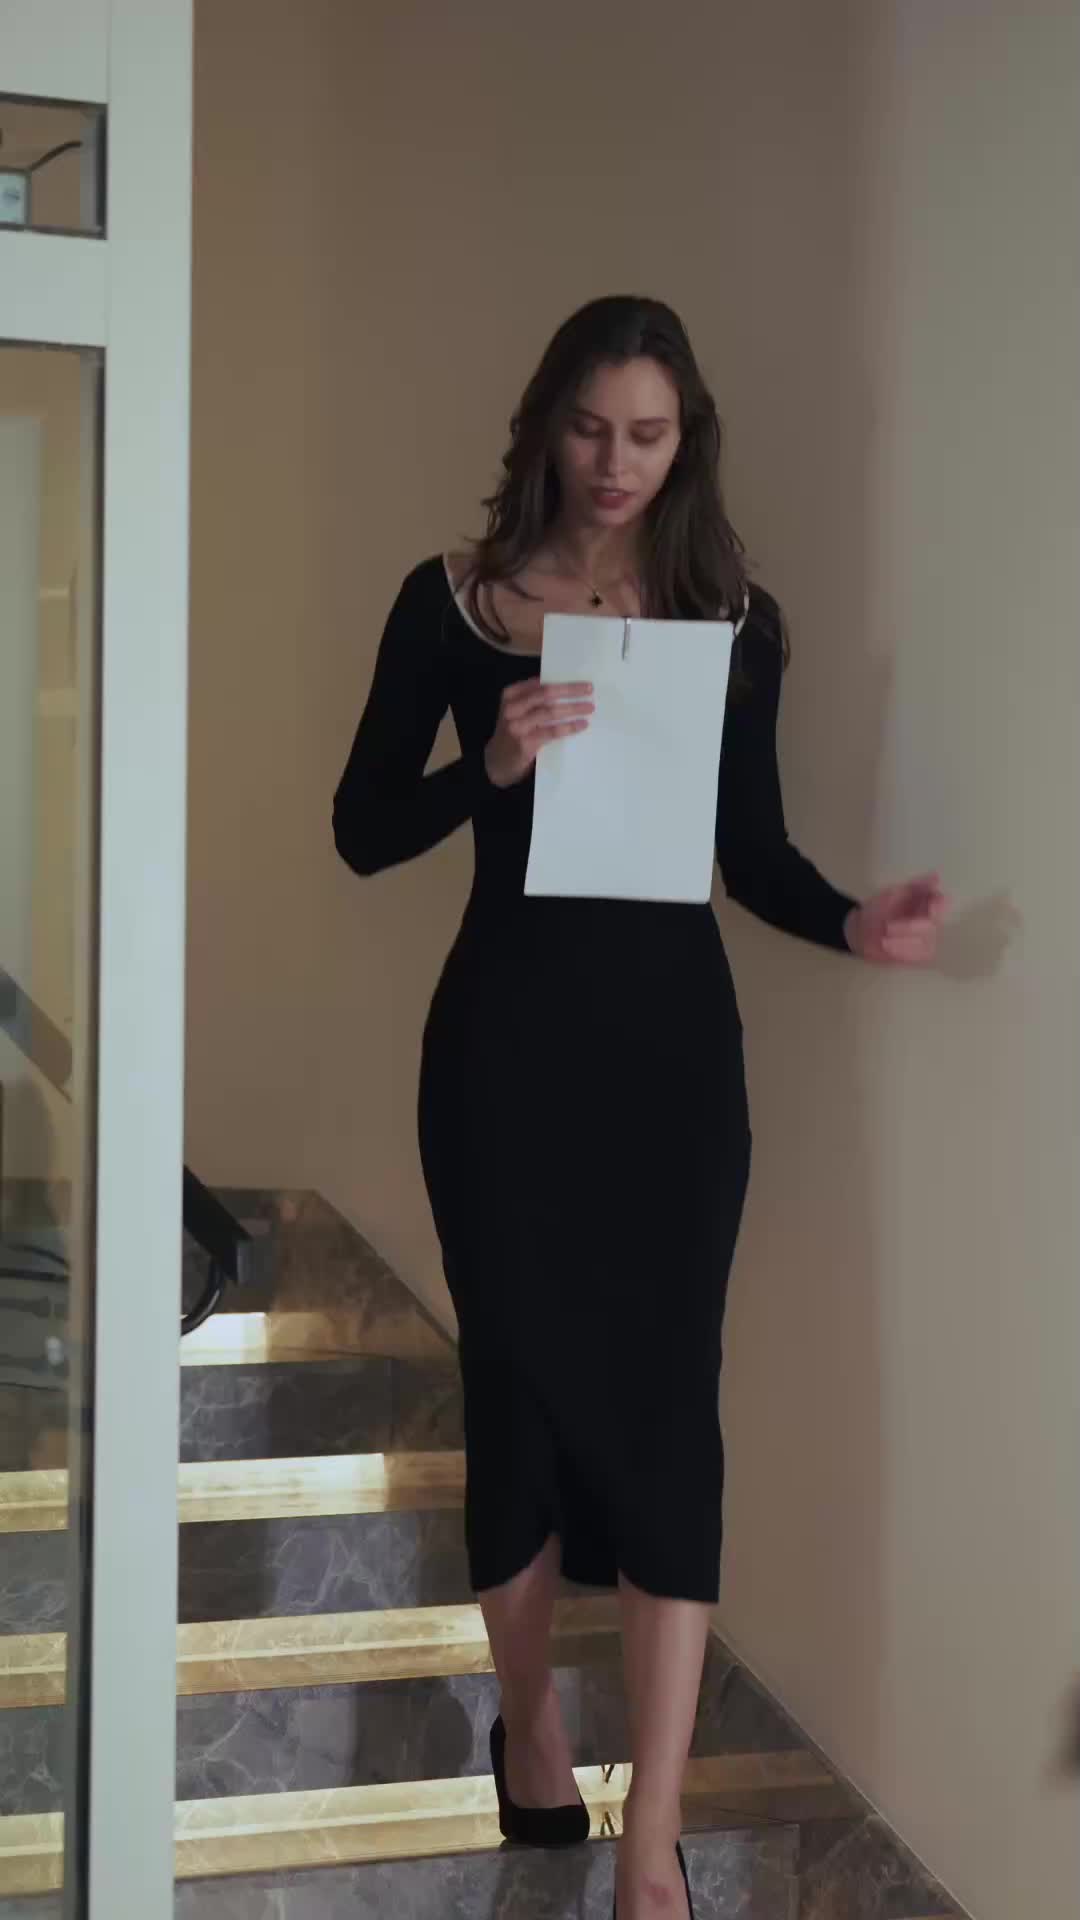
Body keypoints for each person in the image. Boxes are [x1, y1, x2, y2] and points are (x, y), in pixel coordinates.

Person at [333, 296, 948, 1920]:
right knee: (516, 1402)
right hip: (501, 1066)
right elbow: (361, 829)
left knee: (675, 1415)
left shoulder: (735, 621)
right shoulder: (452, 606)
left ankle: (652, 1832)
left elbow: (753, 855)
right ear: (547, 426)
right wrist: (490, 768)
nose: (616, 463)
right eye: (593, 429)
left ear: (689, 443)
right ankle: (531, 1723)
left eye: (649, 435)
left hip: (672, 1076)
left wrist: (855, 923)